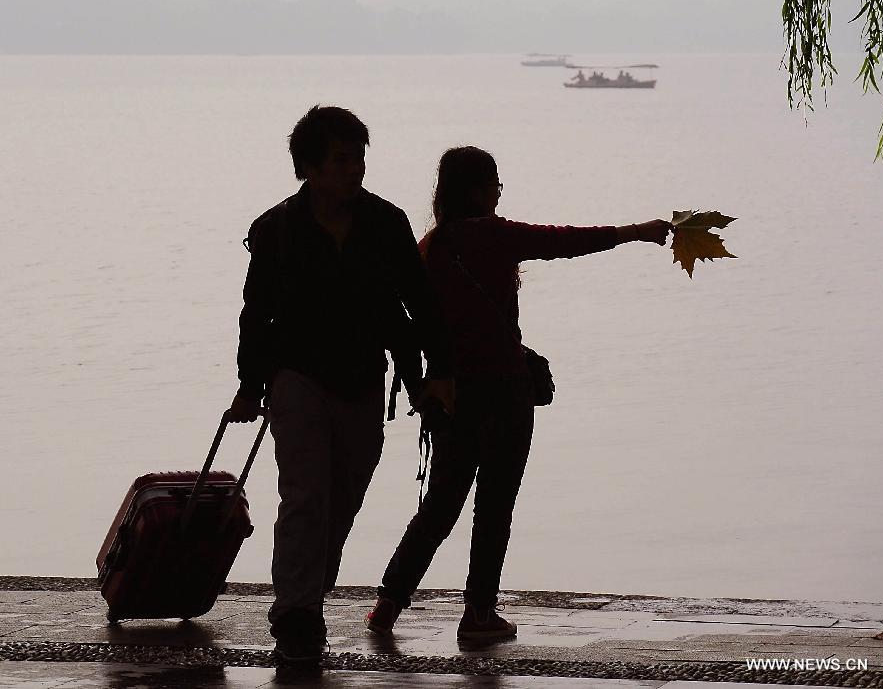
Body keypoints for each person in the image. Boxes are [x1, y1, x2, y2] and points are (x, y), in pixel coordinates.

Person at [365, 146, 671, 640]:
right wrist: (636, 232)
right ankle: (478, 615)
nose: (500, 194)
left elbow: (414, 320)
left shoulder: (430, 247)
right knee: (494, 506)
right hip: (504, 392)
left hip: (450, 394)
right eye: (496, 185)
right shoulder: (495, 234)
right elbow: (567, 241)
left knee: (440, 505)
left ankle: (388, 605)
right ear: (478, 190)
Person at [229, 105, 454, 662]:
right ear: (309, 166)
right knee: (305, 492)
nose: (354, 169)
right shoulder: (276, 229)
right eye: (341, 159)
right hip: (296, 375)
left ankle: (307, 591)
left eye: (358, 158)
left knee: (346, 493)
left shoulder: (386, 223)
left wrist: (436, 372)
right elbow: (255, 314)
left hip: (363, 376)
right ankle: (297, 612)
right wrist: (249, 386)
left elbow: (419, 303)